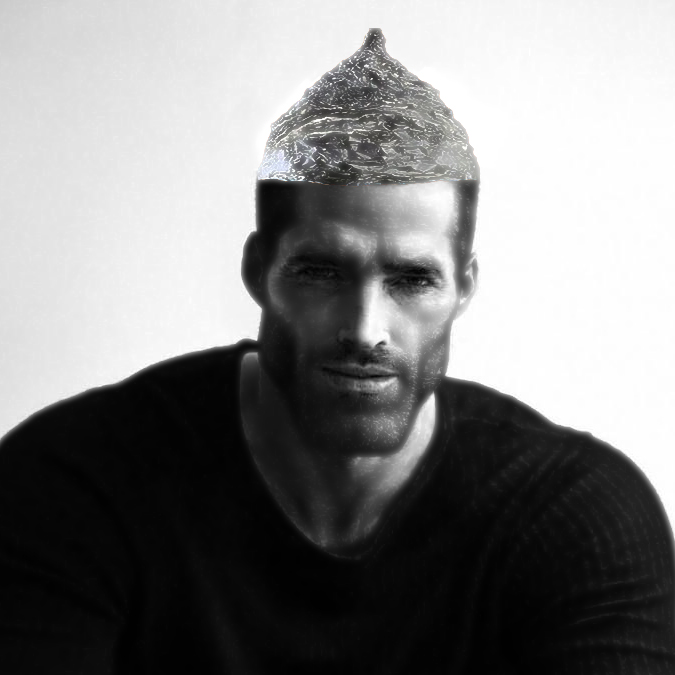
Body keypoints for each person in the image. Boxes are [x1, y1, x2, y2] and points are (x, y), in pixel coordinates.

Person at [0, 28, 673, 675]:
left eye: (412, 279)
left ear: (463, 288)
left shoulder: (577, 518)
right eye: (321, 272)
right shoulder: (76, 485)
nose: (365, 328)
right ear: (257, 270)